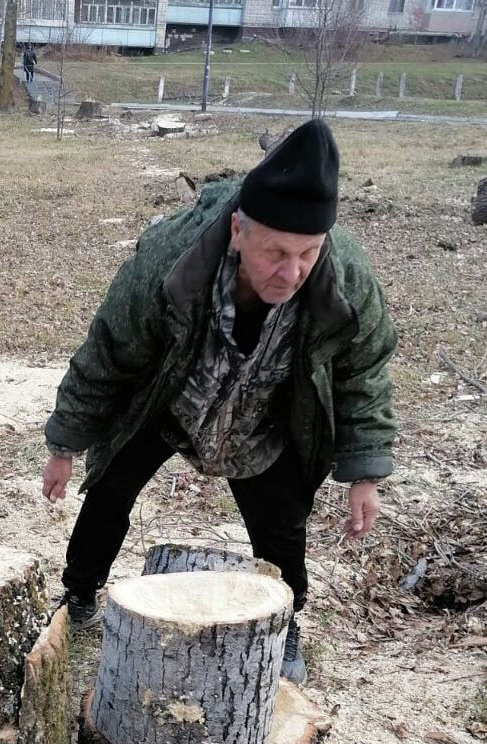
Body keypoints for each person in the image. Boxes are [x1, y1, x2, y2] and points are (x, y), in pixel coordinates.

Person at [40, 120, 397, 685]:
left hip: (263, 419)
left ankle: (285, 621)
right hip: (171, 399)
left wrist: (365, 473)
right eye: (276, 252)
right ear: (237, 229)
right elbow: (108, 351)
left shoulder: (345, 280)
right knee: (109, 489)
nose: (292, 271)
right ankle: (79, 592)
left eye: (307, 253)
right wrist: (64, 443)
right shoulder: (169, 261)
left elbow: (364, 373)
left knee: (281, 528)